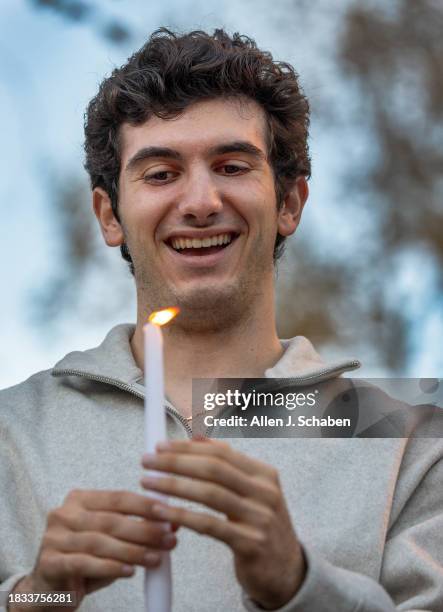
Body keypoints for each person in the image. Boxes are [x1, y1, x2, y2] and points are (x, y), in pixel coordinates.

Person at [1, 28, 442, 612]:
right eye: (160, 174)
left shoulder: (408, 440)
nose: (201, 201)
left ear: (289, 204)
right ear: (110, 216)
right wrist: (42, 598)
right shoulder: (13, 434)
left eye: (232, 166)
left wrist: (300, 586)